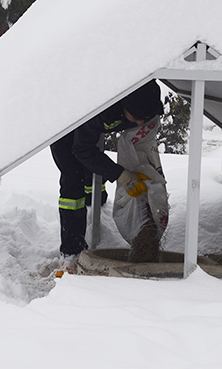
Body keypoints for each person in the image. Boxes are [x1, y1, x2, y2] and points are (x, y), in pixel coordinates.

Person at [50, 80, 163, 269]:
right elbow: (82, 150)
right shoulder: (101, 106)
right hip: (64, 131)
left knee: (93, 170)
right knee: (73, 180)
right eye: (136, 117)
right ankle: (72, 250)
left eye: (146, 117)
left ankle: (97, 198)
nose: (140, 122)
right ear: (123, 106)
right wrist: (121, 175)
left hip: (89, 131)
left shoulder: (143, 96)